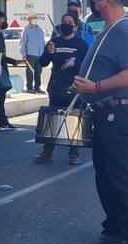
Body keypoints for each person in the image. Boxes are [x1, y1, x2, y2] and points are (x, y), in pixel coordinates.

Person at [72, 0, 128, 244]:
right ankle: (114, 225)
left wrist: (97, 86)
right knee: (105, 172)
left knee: (117, 171)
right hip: (107, 109)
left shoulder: (124, 29)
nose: (93, 1)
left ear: (109, 0)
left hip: (118, 108)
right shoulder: (110, 29)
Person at [34, 12, 89, 166]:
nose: (66, 23)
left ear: (76, 26)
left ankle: (73, 152)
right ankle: (47, 151)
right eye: (64, 21)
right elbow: (43, 62)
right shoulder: (54, 42)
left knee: (74, 119)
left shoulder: (82, 44)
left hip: (74, 86)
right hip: (56, 86)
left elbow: (87, 66)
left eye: (70, 21)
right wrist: (49, 52)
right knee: (52, 118)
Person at [0, 10, 22, 131]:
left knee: (1, 96)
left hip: (1, 68)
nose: (5, 22)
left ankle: (3, 120)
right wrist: (11, 60)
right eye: (3, 19)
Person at [21, 15, 47, 94]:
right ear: (29, 20)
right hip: (30, 54)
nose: (35, 20)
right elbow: (23, 42)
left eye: (36, 19)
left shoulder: (39, 30)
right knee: (29, 72)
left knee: (38, 71)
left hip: (40, 54)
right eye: (33, 19)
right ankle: (29, 88)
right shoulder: (26, 30)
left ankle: (37, 87)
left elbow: (43, 42)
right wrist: (23, 54)